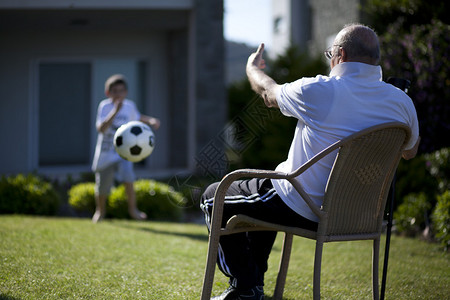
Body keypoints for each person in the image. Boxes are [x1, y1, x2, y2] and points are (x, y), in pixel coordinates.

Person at [200, 23, 420, 300]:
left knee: (213, 196)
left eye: (330, 54)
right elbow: (409, 151)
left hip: (302, 207)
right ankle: (249, 286)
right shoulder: (402, 102)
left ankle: (245, 288)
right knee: (264, 193)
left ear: (339, 54)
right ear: (375, 59)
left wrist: (252, 69)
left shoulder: (319, 90)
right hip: (358, 217)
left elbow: (268, 95)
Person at [91, 74, 160, 223]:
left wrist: (151, 120)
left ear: (126, 92)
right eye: (115, 91)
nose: (118, 94)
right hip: (105, 154)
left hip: (123, 153)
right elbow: (101, 128)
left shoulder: (129, 106)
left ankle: (133, 210)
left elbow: (137, 117)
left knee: (128, 177)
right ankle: (100, 211)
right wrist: (115, 111)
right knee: (102, 186)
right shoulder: (104, 106)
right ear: (108, 93)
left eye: (121, 90)